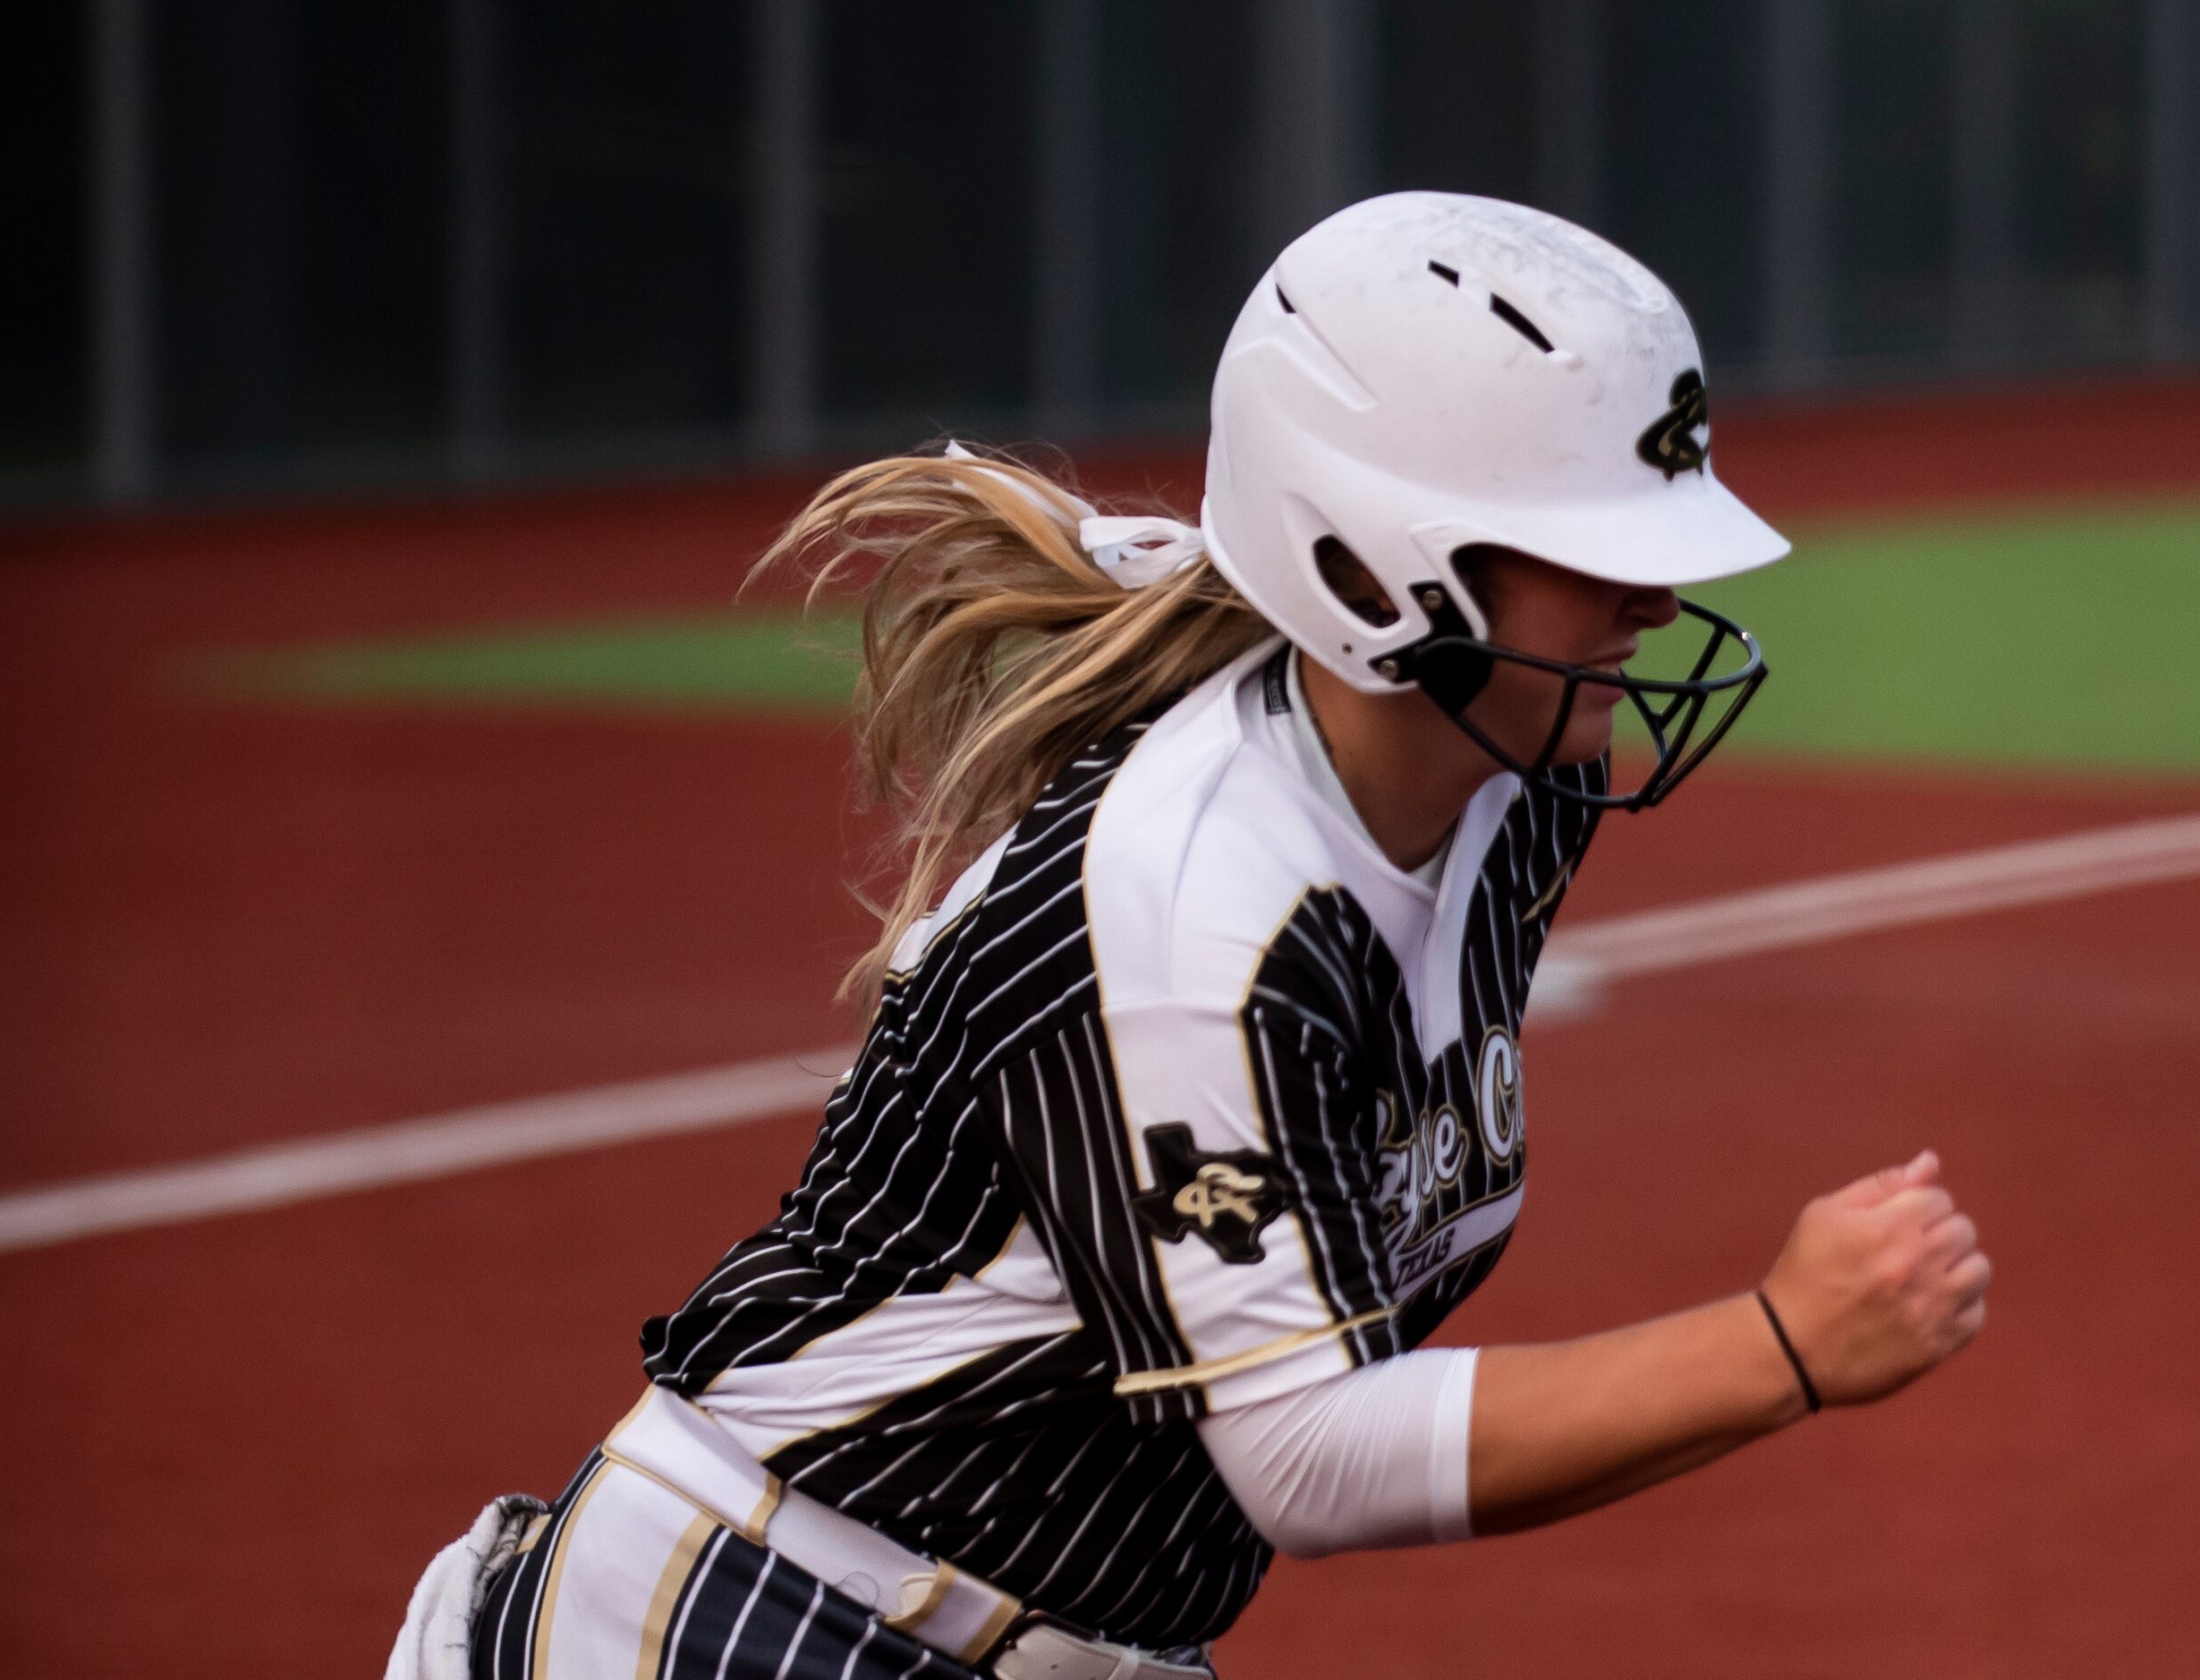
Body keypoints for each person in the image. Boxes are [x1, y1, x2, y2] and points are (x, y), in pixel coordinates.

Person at [387, 191, 1991, 1680]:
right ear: (1376, 566)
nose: (1653, 604)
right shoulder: (1193, 897)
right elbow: (1305, 1453)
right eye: (1597, 549)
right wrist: (1777, 1341)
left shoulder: (1513, 790)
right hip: (766, 1626)